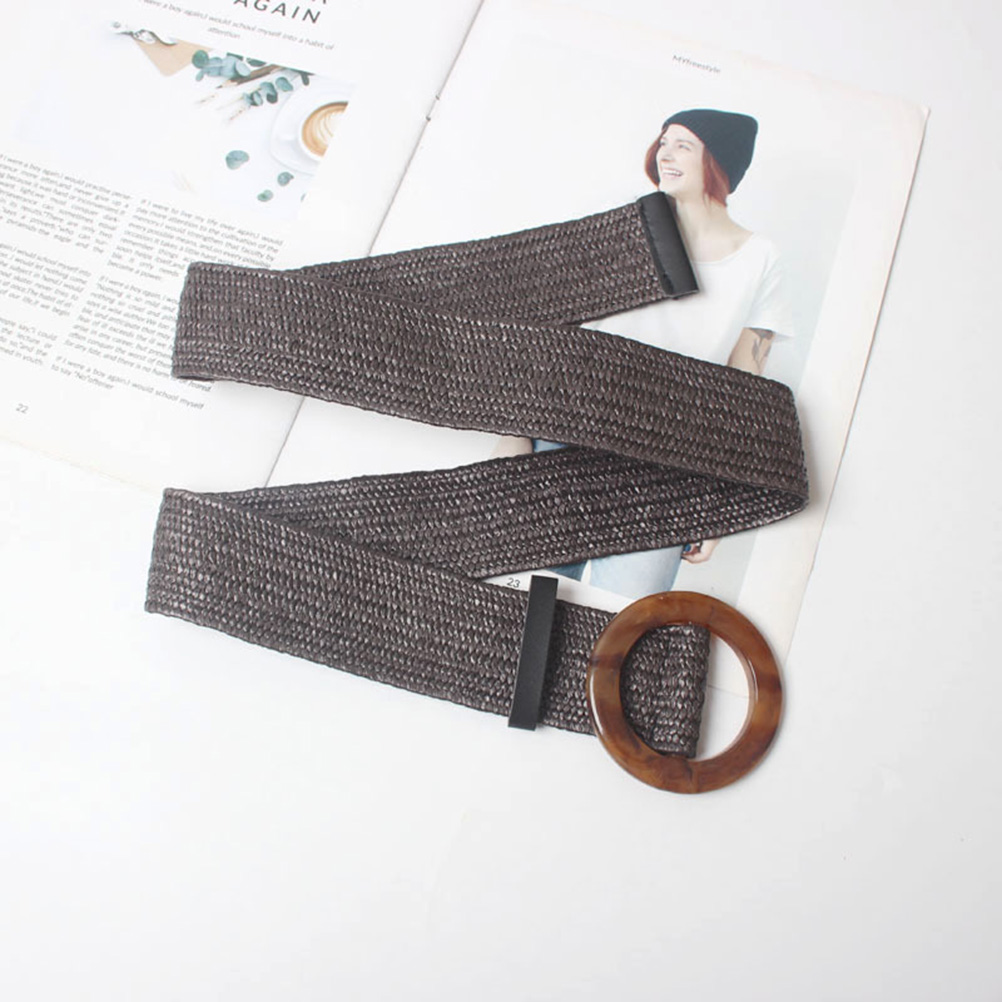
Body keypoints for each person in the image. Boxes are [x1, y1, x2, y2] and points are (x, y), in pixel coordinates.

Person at [497, 108, 795, 597]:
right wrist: (512, 437)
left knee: (628, 618)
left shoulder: (759, 257)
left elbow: (742, 388)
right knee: (529, 605)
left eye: (684, 145)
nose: (666, 155)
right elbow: (547, 329)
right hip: (567, 432)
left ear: (718, 161)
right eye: (664, 142)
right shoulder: (622, 221)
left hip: (666, 465)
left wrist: (717, 503)